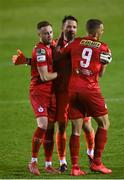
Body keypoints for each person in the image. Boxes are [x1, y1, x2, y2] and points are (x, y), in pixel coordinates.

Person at [12, 16, 95, 173]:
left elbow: (91, 60)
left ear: (77, 29)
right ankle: (62, 161)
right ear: (63, 28)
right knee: (59, 126)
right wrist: (27, 61)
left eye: (74, 27)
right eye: (68, 27)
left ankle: (92, 155)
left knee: (85, 124)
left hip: (78, 91)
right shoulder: (54, 44)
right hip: (59, 93)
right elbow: (45, 61)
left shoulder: (79, 45)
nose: (71, 29)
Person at [56, 19, 112, 175]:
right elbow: (100, 74)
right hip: (90, 89)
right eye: (101, 30)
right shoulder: (103, 47)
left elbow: (60, 55)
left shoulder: (76, 42)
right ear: (96, 32)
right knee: (104, 123)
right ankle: (97, 163)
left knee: (76, 129)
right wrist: (105, 62)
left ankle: (75, 167)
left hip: (72, 90)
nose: (102, 32)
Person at [24, 21, 58, 176]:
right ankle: (33, 162)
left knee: (51, 128)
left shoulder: (52, 45)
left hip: (52, 93)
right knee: (43, 125)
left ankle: (48, 164)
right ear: (39, 34)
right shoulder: (40, 51)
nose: (49, 35)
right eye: (45, 33)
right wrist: (62, 74)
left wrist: (27, 61)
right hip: (39, 91)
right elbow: (44, 76)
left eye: (51, 32)